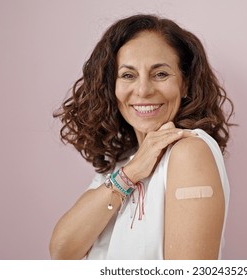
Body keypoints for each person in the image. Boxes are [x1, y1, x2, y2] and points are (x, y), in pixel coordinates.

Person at [50, 14, 234, 260]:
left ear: (185, 84)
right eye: (128, 75)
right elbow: (62, 250)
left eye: (160, 74)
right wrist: (130, 173)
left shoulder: (189, 151)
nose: (144, 90)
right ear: (111, 86)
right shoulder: (124, 164)